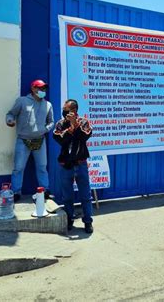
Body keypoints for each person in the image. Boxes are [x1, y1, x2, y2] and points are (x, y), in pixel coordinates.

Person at [6, 79, 54, 202]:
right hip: (23, 140)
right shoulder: (22, 101)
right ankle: (16, 192)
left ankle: (45, 190)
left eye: (44, 89)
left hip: (40, 140)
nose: (43, 91)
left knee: (42, 167)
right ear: (33, 88)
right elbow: (11, 114)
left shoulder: (48, 105)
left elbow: (51, 122)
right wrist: (10, 121)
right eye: (40, 88)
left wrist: (45, 129)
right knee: (18, 167)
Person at [53, 99, 94, 233]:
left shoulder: (84, 122)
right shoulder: (60, 124)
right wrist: (69, 129)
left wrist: (75, 125)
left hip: (80, 164)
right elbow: (59, 139)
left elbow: (84, 137)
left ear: (74, 111)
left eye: (66, 109)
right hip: (66, 165)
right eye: (63, 109)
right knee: (67, 196)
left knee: (85, 196)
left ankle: (88, 222)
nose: (64, 111)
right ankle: (69, 219)